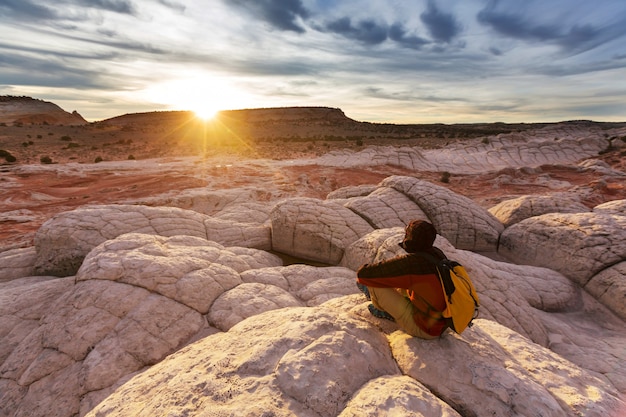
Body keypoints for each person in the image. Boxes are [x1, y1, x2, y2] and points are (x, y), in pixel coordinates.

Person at [356, 220, 448, 339]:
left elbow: (363, 274)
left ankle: (384, 310)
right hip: (442, 323)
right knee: (398, 282)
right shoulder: (437, 255)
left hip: (425, 329)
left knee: (373, 283)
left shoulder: (413, 263)